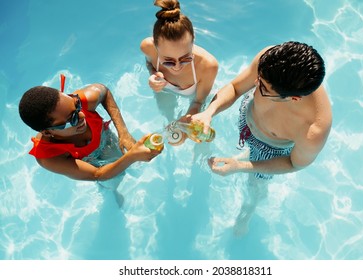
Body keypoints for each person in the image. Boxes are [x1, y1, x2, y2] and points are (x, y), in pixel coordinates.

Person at [191, 41, 332, 235]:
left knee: (256, 186)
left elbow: (294, 164)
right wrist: (209, 112)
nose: (255, 84)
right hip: (248, 115)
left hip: (271, 149)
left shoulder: (313, 130)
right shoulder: (272, 59)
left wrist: (240, 167)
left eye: (264, 88)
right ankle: (247, 154)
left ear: (294, 98)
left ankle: (246, 213)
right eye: (258, 78)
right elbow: (235, 87)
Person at [19, 83, 162, 181]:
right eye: (72, 118)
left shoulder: (84, 100)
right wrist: (131, 157)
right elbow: (97, 174)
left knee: (125, 159)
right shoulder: (49, 157)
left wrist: (123, 132)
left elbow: (104, 91)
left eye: (77, 106)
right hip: (89, 161)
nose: (82, 115)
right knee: (113, 183)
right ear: (48, 132)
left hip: (104, 138)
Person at [140, 0, 218, 119]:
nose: (177, 67)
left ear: (193, 41)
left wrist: (185, 122)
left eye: (186, 58)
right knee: (167, 119)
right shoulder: (147, 47)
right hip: (165, 91)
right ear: (155, 47)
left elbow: (198, 102)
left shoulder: (208, 66)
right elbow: (149, 63)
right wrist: (152, 73)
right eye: (168, 61)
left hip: (196, 98)